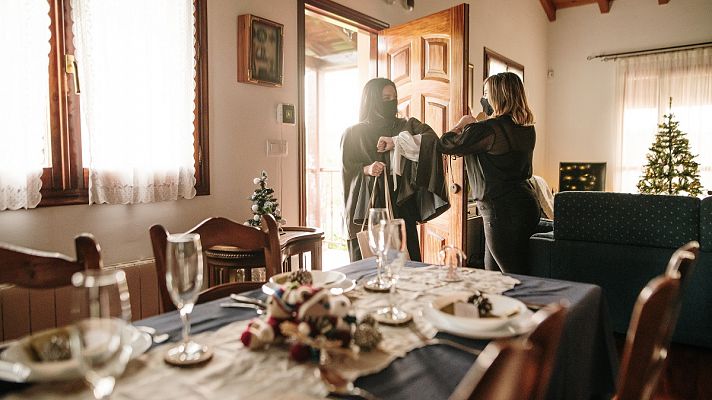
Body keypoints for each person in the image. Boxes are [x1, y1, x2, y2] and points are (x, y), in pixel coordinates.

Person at [438, 72, 539, 275]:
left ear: (497, 96)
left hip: (500, 211)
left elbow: (445, 144)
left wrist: (462, 125)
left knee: (512, 276)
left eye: (485, 93)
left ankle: (533, 307)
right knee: (494, 275)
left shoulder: (486, 129)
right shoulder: (527, 129)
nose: (483, 99)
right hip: (526, 204)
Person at [341, 78, 449, 262]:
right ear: (372, 99)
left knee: (407, 261)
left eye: (394, 97)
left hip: (401, 204)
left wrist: (398, 141)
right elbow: (347, 171)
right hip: (369, 207)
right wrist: (367, 169)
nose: (391, 102)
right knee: (369, 266)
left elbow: (432, 141)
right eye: (385, 97)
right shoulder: (353, 133)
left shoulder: (406, 125)